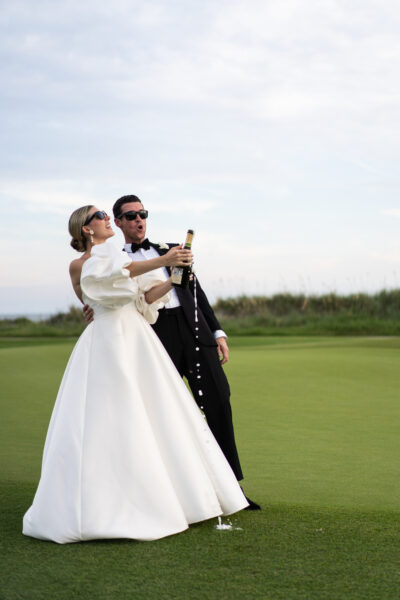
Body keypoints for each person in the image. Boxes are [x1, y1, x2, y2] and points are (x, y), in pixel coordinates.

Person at [22, 205, 248, 544]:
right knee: (109, 414)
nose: (108, 220)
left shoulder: (116, 256)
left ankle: (179, 492)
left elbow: (143, 297)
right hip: (107, 341)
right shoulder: (82, 264)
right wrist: (161, 260)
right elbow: (100, 292)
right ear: (86, 229)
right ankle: (109, 499)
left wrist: (171, 274)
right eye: (100, 215)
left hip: (139, 336)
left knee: (158, 412)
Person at [100, 194, 260, 510]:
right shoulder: (118, 261)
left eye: (142, 213)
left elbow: (195, 292)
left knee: (218, 402)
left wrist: (217, 332)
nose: (138, 220)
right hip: (155, 337)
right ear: (118, 222)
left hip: (195, 333)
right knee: (166, 414)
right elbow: (110, 295)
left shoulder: (169, 250)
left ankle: (231, 490)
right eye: (130, 216)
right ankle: (175, 495)